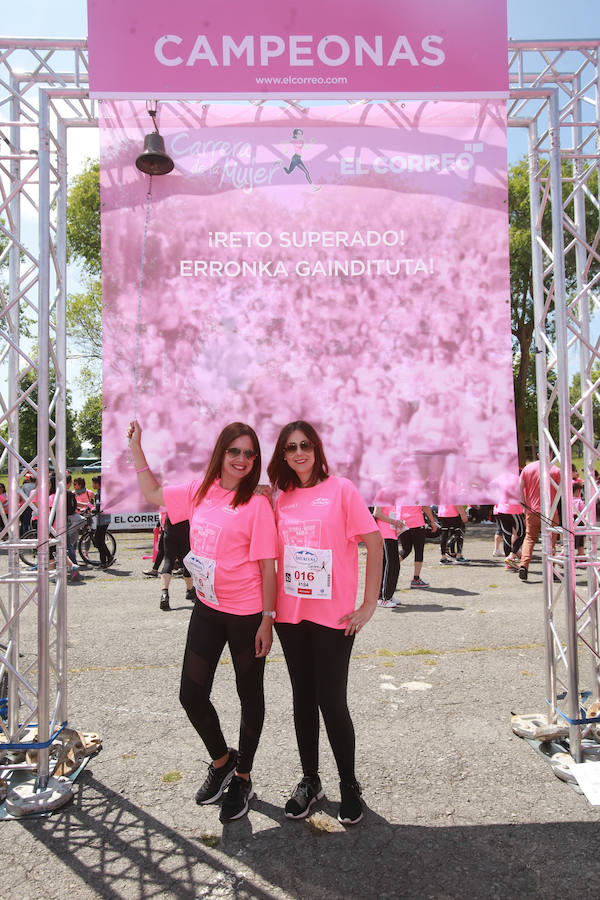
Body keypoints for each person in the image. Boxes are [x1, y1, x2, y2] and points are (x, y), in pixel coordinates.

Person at [127, 419, 277, 822]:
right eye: (235, 451)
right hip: (208, 609)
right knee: (191, 694)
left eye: (250, 453)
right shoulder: (199, 490)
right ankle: (222, 759)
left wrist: (268, 619)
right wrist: (136, 450)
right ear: (221, 453)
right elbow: (154, 492)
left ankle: (243, 776)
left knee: (250, 696)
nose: (242, 459)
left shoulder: (258, 503)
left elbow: (267, 568)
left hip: (247, 615)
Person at [267, 421, 382, 825]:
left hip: (333, 618)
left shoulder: (342, 490)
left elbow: (375, 543)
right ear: (282, 454)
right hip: (289, 615)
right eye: (291, 447)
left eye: (306, 445)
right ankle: (311, 781)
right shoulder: (280, 498)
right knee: (303, 699)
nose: (299, 452)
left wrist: (369, 603)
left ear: (317, 449)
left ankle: (349, 784)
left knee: (331, 702)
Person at [518, 458, 561, 581]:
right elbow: (562, 491)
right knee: (551, 539)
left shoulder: (527, 468)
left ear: (538, 454)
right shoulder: (556, 470)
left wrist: (524, 505)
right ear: (552, 454)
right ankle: (551, 568)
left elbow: (519, 488)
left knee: (530, 538)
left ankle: (524, 565)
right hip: (551, 511)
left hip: (532, 510)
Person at [157, 515, 195, 611]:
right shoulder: (189, 499)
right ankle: (190, 590)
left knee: (168, 561)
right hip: (185, 527)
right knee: (187, 560)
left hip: (170, 526)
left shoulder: (170, 499)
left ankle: (164, 594)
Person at [396, 504, 438, 587]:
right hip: (416, 522)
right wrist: (432, 522)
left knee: (406, 550)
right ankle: (416, 579)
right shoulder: (418, 491)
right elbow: (425, 506)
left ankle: (389, 568)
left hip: (402, 522)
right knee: (419, 551)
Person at [373, 504, 405, 607]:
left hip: (392, 534)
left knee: (394, 565)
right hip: (384, 534)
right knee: (390, 565)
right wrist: (394, 522)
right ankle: (383, 597)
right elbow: (377, 513)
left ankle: (388, 595)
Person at [91, 475, 112, 568]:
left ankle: (109, 557)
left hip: (103, 519)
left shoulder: (99, 494)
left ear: (98, 484)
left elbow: (99, 506)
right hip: (105, 518)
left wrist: (93, 510)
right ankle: (103, 561)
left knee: (99, 540)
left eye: (94, 483)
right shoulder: (103, 492)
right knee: (100, 540)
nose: (92, 485)